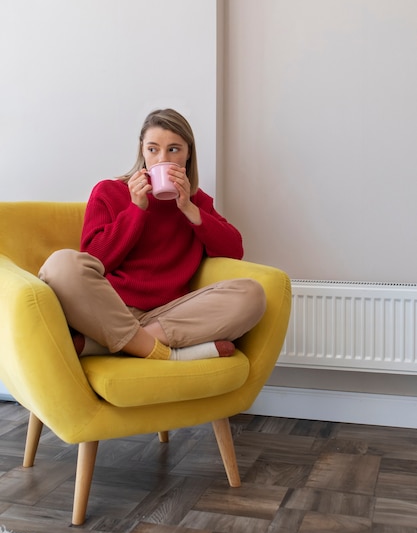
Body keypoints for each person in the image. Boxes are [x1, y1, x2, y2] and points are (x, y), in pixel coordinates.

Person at [39, 108, 266, 361]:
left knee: (252, 294)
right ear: (142, 151)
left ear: (188, 153)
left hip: (168, 315)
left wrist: (188, 209)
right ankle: (168, 355)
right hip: (109, 309)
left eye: (173, 149)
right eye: (153, 149)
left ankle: (110, 343)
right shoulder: (109, 191)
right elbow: (95, 259)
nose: (161, 159)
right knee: (60, 264)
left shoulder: (197, 203)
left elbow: (234, 250)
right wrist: (137, 210)